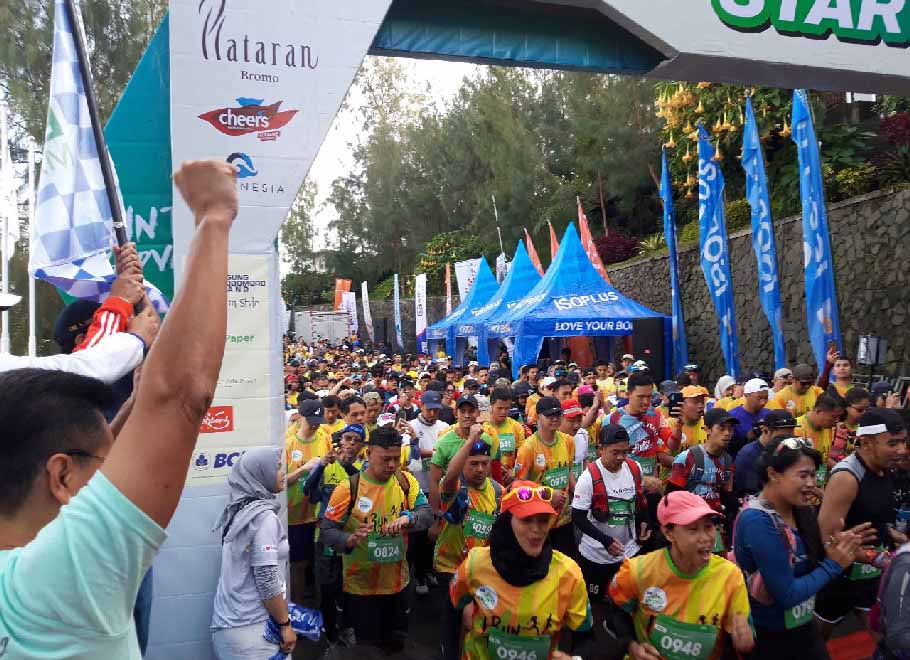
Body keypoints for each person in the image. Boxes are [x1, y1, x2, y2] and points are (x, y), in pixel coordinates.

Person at [0, 159, 236, 657]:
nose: (114, 474)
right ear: (61, 476)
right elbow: (183, 395)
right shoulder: (57, 587)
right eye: (103, 466)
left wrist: (133, 404)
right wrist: (214, 216)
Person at [732, 437, 867, 659]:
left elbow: (811, 563)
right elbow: (787, 594)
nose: (811, 483)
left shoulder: (801, 510)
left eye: (813, 475)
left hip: (804, 629)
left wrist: (842, 546)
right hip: (771, 640)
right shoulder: (757, 521)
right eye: (803, 475)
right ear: (773, 474)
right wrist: (834, 564)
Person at [321, 426, 433, 653]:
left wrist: (409, 519)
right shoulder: (348, 488)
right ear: (369, 453)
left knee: (395, 645)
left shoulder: (406, 482)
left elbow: (427, 513)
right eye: (385, 459)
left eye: (395, 458)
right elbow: (326, 530)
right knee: (365, 648)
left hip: (397, 585)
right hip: (360, 588)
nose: (392, 465)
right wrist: (349, 539)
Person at [450, 480, 592, 660]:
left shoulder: (569, 574)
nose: (536, 530)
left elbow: (584, 635)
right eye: (526, 520)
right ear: (507, 522)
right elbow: (454, 606)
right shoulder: (475, 564)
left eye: (543, 520)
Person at [605, 491, 754, 660]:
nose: (705, 538)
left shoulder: (730, 577)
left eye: (709, 527)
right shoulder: (638, 570)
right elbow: (615, 609)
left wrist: (744, 642)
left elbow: (742, 636)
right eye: (693, 529)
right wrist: (632, 645)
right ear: (669, 533)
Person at [816, 408, 908, 638]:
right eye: (893, 444)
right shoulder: (846, 478)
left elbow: (872, 517)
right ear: (866, 442)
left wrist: (898, 539)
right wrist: (875, 557)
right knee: (815, 645)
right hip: (839, 580)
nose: (901, 450)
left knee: (889, 639)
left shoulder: (886, 469)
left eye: (903, 442)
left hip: (872, 578)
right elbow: (825, 539)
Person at [211, 447, 295, 659]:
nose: (282, 472)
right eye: (276, 468)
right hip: (254, 631)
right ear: (261, 473)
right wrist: (285, 624)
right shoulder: (262, 518)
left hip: (232, 626)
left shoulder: (239, 510)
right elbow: (266, 579)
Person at [572, 424, 649, 639]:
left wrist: (644, 524)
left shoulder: (634, 469)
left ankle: (621, 634)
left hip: (628, 552)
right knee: (595, 601)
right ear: (600, 449)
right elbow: (578, 517)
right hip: (595, 555)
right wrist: (605, 541)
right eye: (615, 452)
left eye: (625, 452)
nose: (621, 458)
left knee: (626, 598)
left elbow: (640, 503)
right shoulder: (587, 479)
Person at [436, 438, 503, 660]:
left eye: (484, 463)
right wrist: (470, 440)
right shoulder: (455, 487)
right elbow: (449, 478)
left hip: (481, 570)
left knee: (476, 621)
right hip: (450, 567)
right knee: (452, 623)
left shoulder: (496, 491)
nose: (480, 469)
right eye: (473, 463)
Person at [304, 424, 366, 647]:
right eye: (346, 438)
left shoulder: (364, 468)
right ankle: (330, 633)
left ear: (362, 446)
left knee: (350, 586)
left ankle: (348, 626)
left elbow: (365, 488)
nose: (349, 444)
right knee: (327, 589)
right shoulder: (327, 465)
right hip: (325, 538)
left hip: (352, 538)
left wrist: (346, 467)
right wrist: (321, 466)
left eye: (355, 440)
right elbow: (309, 493)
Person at [667, 408, 737, 551]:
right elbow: (671, 498)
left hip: (713, 527)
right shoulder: (687, 458)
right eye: (722, 428)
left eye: (730, 429)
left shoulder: (728, 462)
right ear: (708, 429)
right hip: (688, 526)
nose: (727, 433)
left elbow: (727, 496)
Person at [514, 396, 577, 557]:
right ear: (538, 417)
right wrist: (547, 494)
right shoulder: (528, 448)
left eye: (558, 414)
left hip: (564, 520)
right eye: (549, 415)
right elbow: (518, 486)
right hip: (539, 523)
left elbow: (568, 470)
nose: (554, 419)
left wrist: (578, 495)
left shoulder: (568, 442)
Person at [286, 398, 331, 602]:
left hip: (320, 512)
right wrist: (303, 469)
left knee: (321, 563)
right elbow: (280, 482)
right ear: (300, 417)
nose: (315, 424)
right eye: (311, 420)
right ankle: (298, 609)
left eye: (318, 420)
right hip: (295, 515)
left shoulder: (324, 438)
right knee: (298, 564)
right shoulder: (287, 443)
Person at [405, 389, 449, 596]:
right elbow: (409, 454)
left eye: (436, 410)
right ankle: (419, 574)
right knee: (418, 534)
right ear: (421, 406)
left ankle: (430, 569)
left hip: (438, 488)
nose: (432, 414)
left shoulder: (444, 427)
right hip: (417, 487)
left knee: (435, 531)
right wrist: (436, 453)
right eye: (429, 409)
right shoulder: (411, 426)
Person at [429, 394, 500, 516]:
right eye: (463, 411)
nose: (467, 415)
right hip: (453, 503)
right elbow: (434, 481)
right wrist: (435, 515)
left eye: (471, 411)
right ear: (456, 413)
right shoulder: (443, 442)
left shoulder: (487, 439)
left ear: (477, 413)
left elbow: (488, 476)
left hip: (481, 507)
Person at [603, 372, 679, 480]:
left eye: (649, 397)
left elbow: (673, 445)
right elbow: (606, 462)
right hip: (624, 486)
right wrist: (641, 479)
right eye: (641, 397)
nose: (646, 402)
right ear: (628, 394)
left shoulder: (655, 414)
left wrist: (679, 424)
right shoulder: (612, 419)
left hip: (651, 488)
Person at [734, 410, 798, 498]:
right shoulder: (748, 455)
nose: (787, 440)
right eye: (782, 436)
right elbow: (751, 492)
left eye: (791, 434)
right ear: (766, 430)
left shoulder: (787, 450)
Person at [794, 394, 845, 486]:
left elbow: (823, 457)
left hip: (818, 487)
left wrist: (842, 468)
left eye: (839, 417)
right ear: (818, 411)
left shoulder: (828, 427)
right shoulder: (797, 429)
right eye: (834, 416)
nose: (837, 420)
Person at [488, 386, 526, 485]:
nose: (504, 412)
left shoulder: (516, 427)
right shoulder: (483, 427)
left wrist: (513, 472)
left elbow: (523, 456)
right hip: (488, 479)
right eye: (500, 408)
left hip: (510, 481)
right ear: (491, 405)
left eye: (507, 408)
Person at [728, 379, 770, 457]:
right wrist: (747, 437)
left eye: (766, 398)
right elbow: (727, 447)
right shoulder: (732, 416)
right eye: (759, 398)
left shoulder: (769, 414)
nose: (763, 402)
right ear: (747, 395)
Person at [830, 387, 870, 464]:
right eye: (860, 410)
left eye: (867, 409)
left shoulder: (866, 428)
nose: (864, 413)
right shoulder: (832, 426)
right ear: (847, 407)